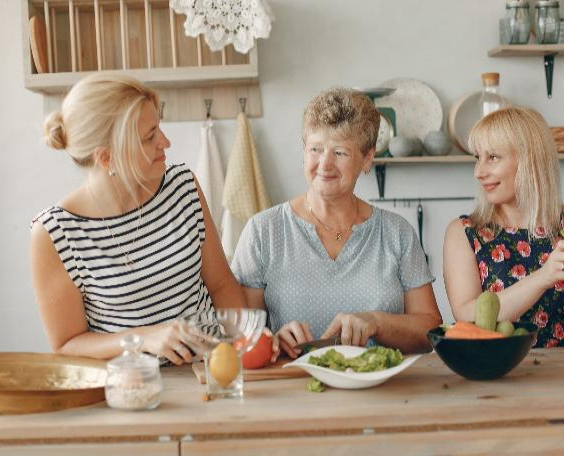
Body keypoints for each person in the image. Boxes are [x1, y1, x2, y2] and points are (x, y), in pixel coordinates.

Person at [29, 73, 245, 365]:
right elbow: (67, 344)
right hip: (131, 388)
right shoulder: (55, 233)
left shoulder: (182, 186)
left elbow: (222, 285)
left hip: (209, 371)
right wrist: (144, 338)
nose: (165, 142)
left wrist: (243, 352)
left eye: (159, 128)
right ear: (107, 158)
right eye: (149, 136)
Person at [231, 87, 441, 357]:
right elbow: (239, 335)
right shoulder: (263, 231)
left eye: (340, 152)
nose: (325, 164)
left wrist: (377, 323)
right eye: (315, 149)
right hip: (294, 392)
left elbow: (430, 330)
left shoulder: (397, 232)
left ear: (367, 158)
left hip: (383, 393)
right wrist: (270, 339)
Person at [442, 106, 564, 347]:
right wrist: (544, 277)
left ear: (530, 161)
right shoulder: (464, 233)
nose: (479, 172)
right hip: (497, 371)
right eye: (477, 158)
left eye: (493, 157)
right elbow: (469, 318)